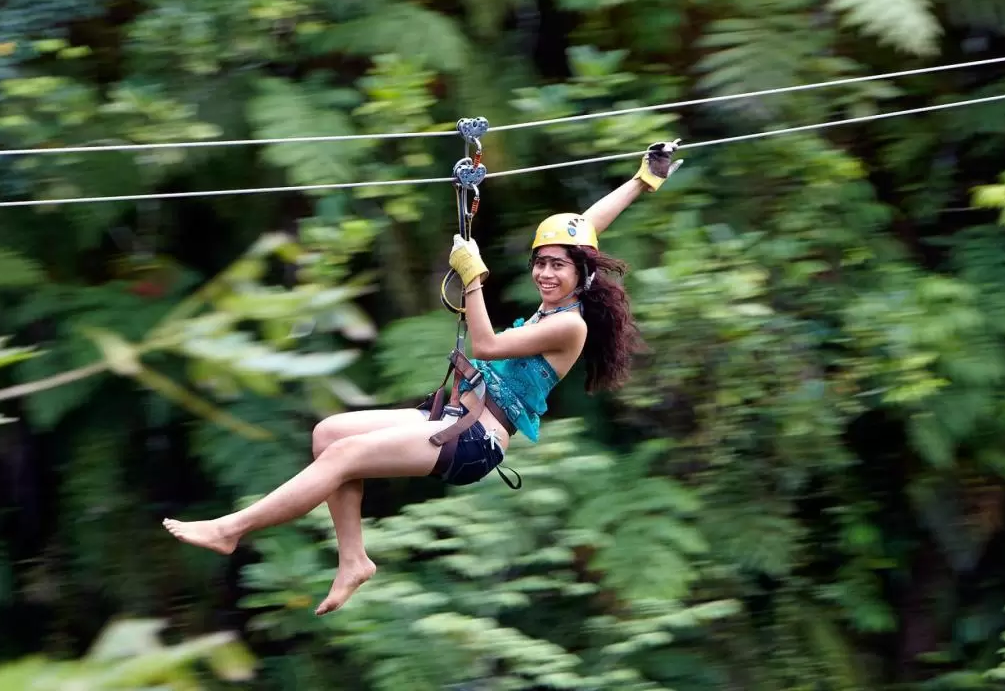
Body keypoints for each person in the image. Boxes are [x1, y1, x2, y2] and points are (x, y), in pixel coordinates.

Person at [162, 139, 683, 615]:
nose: (545, 273)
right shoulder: (554, 307)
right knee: (329, 434)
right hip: (455, 414)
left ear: (580, 274)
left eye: (558, 267)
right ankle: (353, 561)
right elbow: (586, 226)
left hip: (478, 440)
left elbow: (487, 345)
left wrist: (473, 276)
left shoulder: (569, 326)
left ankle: (232, 529)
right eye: (540, 263)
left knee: (347, 456)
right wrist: (642, 180)